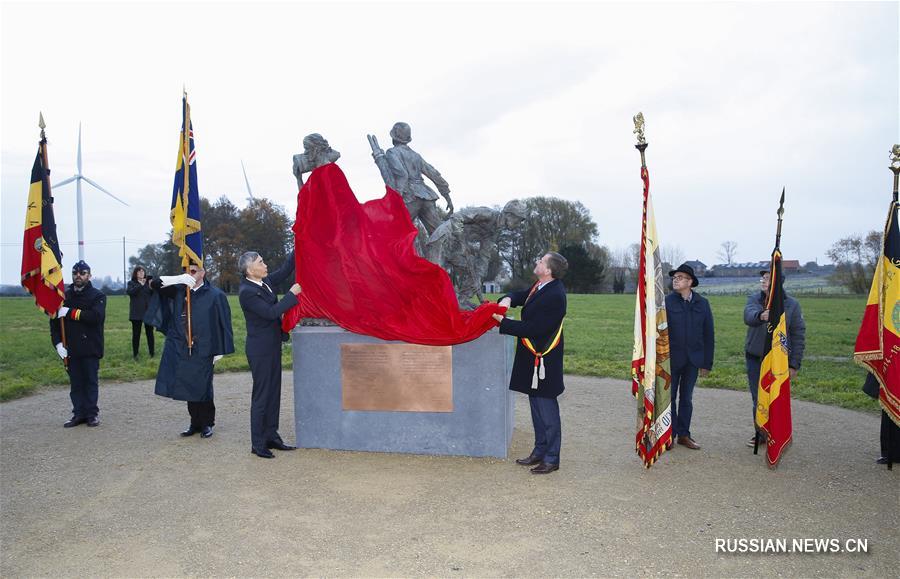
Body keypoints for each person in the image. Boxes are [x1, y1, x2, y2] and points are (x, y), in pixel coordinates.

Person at [492, 252, 568, 474]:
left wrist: (503, 323)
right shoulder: (541, 286)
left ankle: (552, 458)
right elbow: (522, 296)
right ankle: (540, 451)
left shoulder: (555, 295)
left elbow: (535, 328)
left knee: (546, 408)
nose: (537, 262)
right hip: (532, 356)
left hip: (544, 358)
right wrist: (507, 299)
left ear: (549, 270)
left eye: (541, 261)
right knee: (536, 407)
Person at [147, 264, 234, 438]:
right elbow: (153, 284)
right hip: (182, 346)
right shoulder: (179, 290)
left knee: (203, 385)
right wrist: (177, 279)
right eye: (187, 270)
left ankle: (207, 423)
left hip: (205, 347)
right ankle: (194, 423)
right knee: (188, 384)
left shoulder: (216, 295)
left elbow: (223, 323)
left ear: (203, 272)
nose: (190, 273)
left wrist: (220, 350)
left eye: (194, 270)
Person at [238, 250, 301, 459]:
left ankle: (271, 436)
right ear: (250, 270)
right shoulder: (247, 291)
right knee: (262, 396)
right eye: (261, 262)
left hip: (272, 346)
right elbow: (270, 313)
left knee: (273, 393)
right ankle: (258, 443)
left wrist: (298, 243)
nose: (265, 265)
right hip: (260, 351)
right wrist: (292, 294)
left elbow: (285, 269)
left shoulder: (264, 283)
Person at [744, 269, 805, 447]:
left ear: (778, 282)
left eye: (768, 278)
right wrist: (761, 315)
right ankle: (761, 433)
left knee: (777, 397)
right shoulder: (755, 299)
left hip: (780, 360)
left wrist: (794, 364)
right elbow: (749, 314)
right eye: (762, 277)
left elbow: (798, 334)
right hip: (756, 358)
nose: (763, 281)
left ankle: (776, 433)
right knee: (758, 397)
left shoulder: (792, 305)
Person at [426, 200, 527, 308]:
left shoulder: (495, 231)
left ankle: (461, 300)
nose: (518, 224)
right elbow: (457, 217)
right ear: (510, 214)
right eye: (518, 220)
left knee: (477, 271)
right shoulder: (487, 214)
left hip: (456, 248)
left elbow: (484, 255)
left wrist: (478, 277)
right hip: (442, 240)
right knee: (434, 278)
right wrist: (461, 240)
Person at [367, 122, 454, 237]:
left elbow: (402, 175)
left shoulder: (392, 152)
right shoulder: (416, 155)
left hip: (409, 198)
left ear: (394, 137)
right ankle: (448, 254)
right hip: (427, 197)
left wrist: (397, 197)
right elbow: (434, 174)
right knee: (439, 235)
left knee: (397, 236)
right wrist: (447, 196)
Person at [50, 260, 107, 428]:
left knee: (90, 381)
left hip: (90, 346)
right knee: (76, 383)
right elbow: (54, 325)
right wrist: (58, 344)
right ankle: (78, 413)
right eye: (75, 273)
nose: (78, 276)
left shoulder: (98, 296)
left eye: (82, 273)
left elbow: (96, 317)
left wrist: (70, 312)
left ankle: (91, 414)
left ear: (89, 276)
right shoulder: (63, 297)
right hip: (71, 347)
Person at [665, 263, 715, 450]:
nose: (675, 281)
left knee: (686, 398)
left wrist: (706, 363)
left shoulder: (702, 304)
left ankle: (684, 435)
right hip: (671, 359)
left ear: (690, 282)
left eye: (679, 278)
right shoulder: (666, 302)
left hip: (693, 360)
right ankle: (669, 434)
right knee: (669, 398)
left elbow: (708, 334)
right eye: (674, 278)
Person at [126, 265, 155, 359]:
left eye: (143, 271)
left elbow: (153, 294)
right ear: (135, 273)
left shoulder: (147, 284)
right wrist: (140, 285)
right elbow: (130, 292)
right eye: (139, 271)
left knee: (150, 333)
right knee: (136, 334)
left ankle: (152, 353)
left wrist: (151, 287)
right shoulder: (131, 283)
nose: (142, 273)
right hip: (136, 313)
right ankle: (135, 354)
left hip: (147, 312)